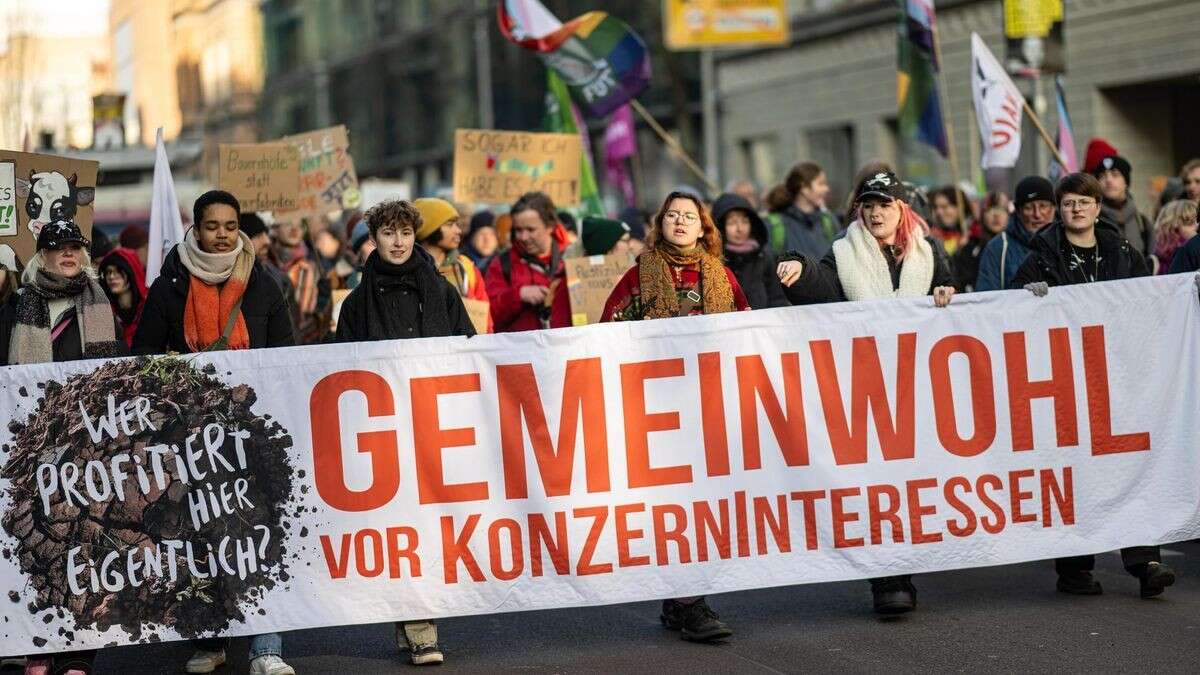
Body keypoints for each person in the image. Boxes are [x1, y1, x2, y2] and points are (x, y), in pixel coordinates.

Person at [775, 170, 955, 615]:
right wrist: (800, 269)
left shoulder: (930, 252)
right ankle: (889, 580)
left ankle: (904, 567)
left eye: (885, 205)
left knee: (912, 481)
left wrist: (950, 292)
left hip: (918, 384)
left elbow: (955, 296)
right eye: (869, 205)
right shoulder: (843, 252)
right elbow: (824, 289)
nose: (876, 213)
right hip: (863, 386)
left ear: (902, 210)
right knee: (877, 484)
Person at [131, 191, 294, 674]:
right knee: (199, 537)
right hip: (190, 436)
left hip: (251, 431)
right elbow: (144, 355)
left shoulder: (263, 285)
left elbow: (286, 355)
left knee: (258, 533)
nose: (221, 235)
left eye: (229, 225)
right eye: (211, 226)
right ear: (196, 229)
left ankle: (267, 649)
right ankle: (210, 642)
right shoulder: (169, 287)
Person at [1008, 172, 1175, 600]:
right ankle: (1075, 568)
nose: (1077, 209)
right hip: (1065, 380)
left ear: (1098, 208)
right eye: (1068, 204)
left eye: (1085, 202)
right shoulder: (1042, 256)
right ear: (1059, 211)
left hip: (1119, 378)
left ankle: (1145, 560)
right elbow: (1007, 307)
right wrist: (1029, 296)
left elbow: (1151, 303)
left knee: (1131, 465)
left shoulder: (1122, 252)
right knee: (1076, 472)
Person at [599, 191, 746, 642]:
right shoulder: (637, 279)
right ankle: (691, 603)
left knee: (705, 505)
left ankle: (678, 599)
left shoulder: (723, 277)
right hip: (658, 411)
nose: (680, 222)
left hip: (708, 408)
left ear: (704, 228)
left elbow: (746, 332)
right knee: (676, 507)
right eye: (672, 216)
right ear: (660, 224)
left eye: (689, 216)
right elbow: (608, 336)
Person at [334, 199, 471, 666]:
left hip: (434, 426)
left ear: (415, 236)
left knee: (430, 528)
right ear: (374, 239)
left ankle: (413, 622)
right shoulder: (356, 303)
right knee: (402, 529)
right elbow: (343, 372)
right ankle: (420, 628)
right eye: (389, 233)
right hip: (384, 430)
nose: (398, 242)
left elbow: (469, 352)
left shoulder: (443, 291)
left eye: (406, 233)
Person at [0, 220, 126, 675]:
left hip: (88, 444)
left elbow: (119, 368)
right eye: (59, 248)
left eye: (75, 246)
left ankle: (78, 653)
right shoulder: (18, 305)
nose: (69, 254)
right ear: (43, 253)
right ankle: (39, 647)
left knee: (85, 545)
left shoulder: (98, 302)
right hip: (31, 446)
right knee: (39, 544)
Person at [485, 192, 573, 332]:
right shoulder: (502, 263)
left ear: (550, 227)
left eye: (531, 230)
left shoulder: (573, 258)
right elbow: (487, 315)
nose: (524, 237)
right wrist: (518, 295)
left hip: (566, 349)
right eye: (518, 230)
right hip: (519, 351)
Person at [415, 198, 491, 333]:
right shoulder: (407, 269)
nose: (458, 230)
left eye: (457, 224)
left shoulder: (466, 268)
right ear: (428, 228)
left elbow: (486, 323)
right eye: (450, 224)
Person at [974, 176, 1057, 292]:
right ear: (1018, 212)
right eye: (1028, 208)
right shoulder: (998, 248)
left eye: (1043, 206)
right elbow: (987, 298)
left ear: (1054, 207)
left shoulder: (1070, 241)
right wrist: (1021, 291)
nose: (1037, 214)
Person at [712, 192, 788, 309]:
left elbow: (777, 298)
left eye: (745, 221)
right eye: (732, 223)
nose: (740, 229)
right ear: (719, 226)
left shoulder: (764, 257)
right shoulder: (713, 262)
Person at [266, 218, 330, 343]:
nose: (295, 229)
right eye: (288, 223)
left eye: (300, 225)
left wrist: (323, 303)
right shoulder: (264, 266)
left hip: (308, 345)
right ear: (274, 228)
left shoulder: (314, 268)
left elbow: (323, 320)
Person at [765, 161, 840, 258]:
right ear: (804, 188)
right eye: (821, 184)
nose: (826, 189)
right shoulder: (774, 225)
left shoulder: (829, 221)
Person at [1093, 154, 1153, 256]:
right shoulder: (1092, 220)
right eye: (1102, 176)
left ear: (1126, 182)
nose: (1108, 180)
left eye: (1115, 175)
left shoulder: (1142, 222)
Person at [951, 191, 1008, 292]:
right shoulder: (970, 249)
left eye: (1001, 210)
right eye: (990, 209)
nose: (996, 215)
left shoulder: (1018, 247)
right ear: (982, 215)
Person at [98, 246, 148, 346]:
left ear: (131, 272)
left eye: (118, 271)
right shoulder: (103, 311)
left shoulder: (149, 308)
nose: (112, 277)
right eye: (108, 272)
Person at [1149, 199, 1198, 274]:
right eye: (1189, 222)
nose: (1196, 226)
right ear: (1172, 227)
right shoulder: (1154, 263)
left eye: (1198, 221)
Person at [929, 186, 971, 256]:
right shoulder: (932, 235)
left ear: (960, 207)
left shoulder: (974, 234)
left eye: (944, 207)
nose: (938, 212)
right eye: (936, 207)